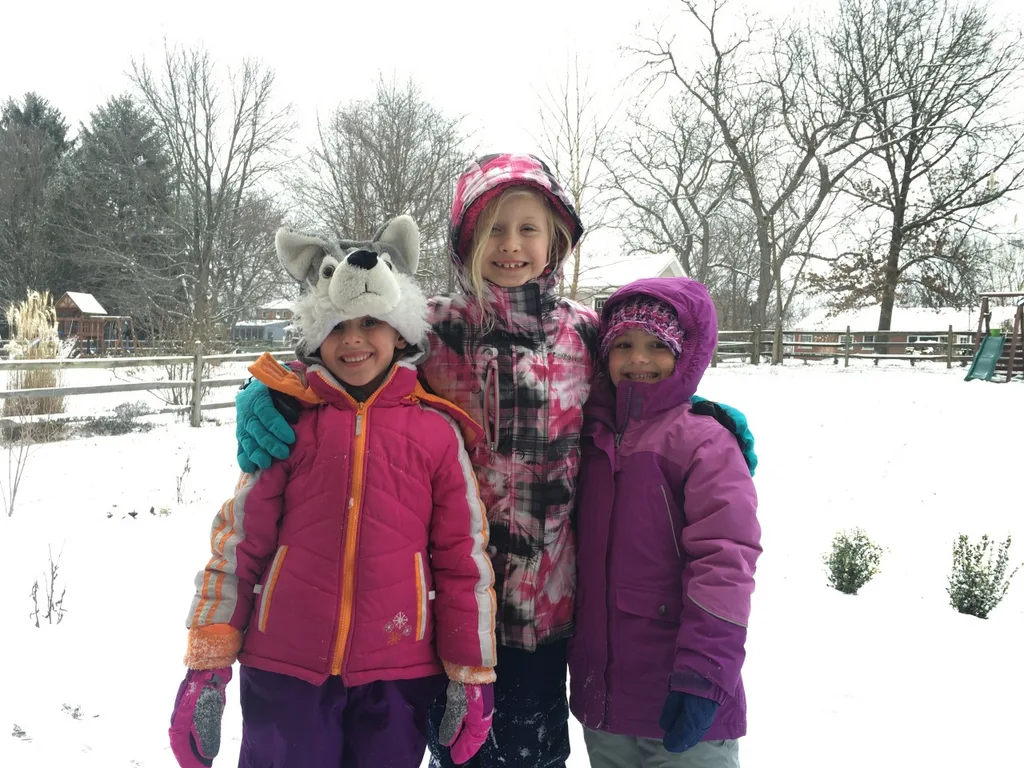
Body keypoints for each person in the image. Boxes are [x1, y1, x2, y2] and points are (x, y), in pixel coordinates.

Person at [232, 154, 757, 768]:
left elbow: (636, 395)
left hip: (547, 606)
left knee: (532, 753)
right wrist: (268, 389)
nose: (510, 245)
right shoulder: (433, 328)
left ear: (555, 241)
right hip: (446, 604)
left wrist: (700, 413)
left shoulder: (584, 334)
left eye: (528, 228)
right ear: (466, 244)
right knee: (458, 751)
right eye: (493, 230)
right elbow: (352, 358)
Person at [169, 216, 497, 768]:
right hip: (285, 667)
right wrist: (207, 663)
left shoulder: (437, 432)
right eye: (337, 325)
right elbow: (237, 544)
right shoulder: (288, 422)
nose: (353, 339)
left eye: (371, 322)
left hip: (397, 669)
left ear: (401, 332)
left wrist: (471, 670)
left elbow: (464, 558)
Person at [569, 276, 761, 768]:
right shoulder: (589, 437)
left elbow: (725, 559)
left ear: (685, 353)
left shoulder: (703, 441)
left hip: (682, 688)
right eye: (623, 345)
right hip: (605, 699)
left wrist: (706, 672)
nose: (639, 358)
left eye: (657, 345)